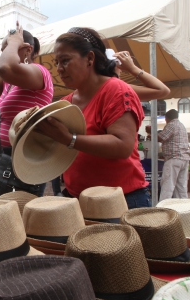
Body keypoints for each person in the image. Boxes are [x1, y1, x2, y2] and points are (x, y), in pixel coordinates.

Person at [35, 27, 150, 209]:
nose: (59, 69)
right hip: (80, 201)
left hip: (120, 202)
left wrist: (69, 139)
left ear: (90, 58)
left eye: (65, 61)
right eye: (57, 62)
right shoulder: (66, 103)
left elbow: (123, 146)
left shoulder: (116, 90)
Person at [0, 23, 54, 197]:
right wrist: (8, 49)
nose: (5, 53)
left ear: (27, 50)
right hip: (3, 157)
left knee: (12, 215)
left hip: (22, 158)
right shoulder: (8, 83)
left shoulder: (39, 72)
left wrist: (13, 44)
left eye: (10, 48)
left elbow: (5, 68)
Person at [158, 109, 190, 200]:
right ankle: (184, 208)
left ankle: (163, 209)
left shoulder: (171, 124)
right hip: (184, 158)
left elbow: (161, 137)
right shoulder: (181, 125)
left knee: (168, 185)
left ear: (167, 118)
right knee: (181, 187)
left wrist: (151, 132)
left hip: (174, 158)